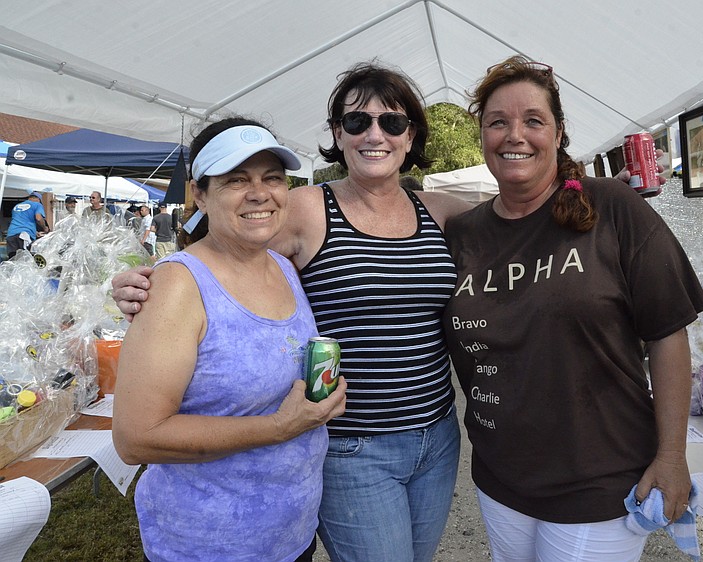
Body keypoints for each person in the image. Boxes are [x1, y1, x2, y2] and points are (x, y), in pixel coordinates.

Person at [114, 61, 472, 562]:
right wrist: (142, 281)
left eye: (392, 122)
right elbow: (221, 249)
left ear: (411, 136)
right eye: (357, 122)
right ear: (337, 134)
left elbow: (520, 222)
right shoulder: (303, 207)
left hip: (435, 433)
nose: (375, 134)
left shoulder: (441, 212)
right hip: (352, 444)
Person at [441, 56, 703, 561]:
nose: (514, 135)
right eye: (498, 122)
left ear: (558, 133)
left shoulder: (612, 208)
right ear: (482, 135)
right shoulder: (462, 234)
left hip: (599, 480)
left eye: (533, 121)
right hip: (501, 478)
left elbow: (668, 334)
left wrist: (672, 455)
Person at [112, 117, 347, 562]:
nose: (259, 193)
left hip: (291, 536)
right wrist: (281, 427)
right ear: (200, 194)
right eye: (236, 179)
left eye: (272, 177)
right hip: (206, 545)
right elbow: (135, 437)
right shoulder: (179, 286)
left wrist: (322, 401)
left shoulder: (282, 267)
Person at [5, 191, 48, 259]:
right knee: (26, 260)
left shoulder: (17, 206)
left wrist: (35, 232)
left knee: (13, 260)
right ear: (38, 199)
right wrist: (44, 227)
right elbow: (38, 218)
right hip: (24, 235)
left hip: (11, 234)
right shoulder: (37, 204)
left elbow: (21, 221)